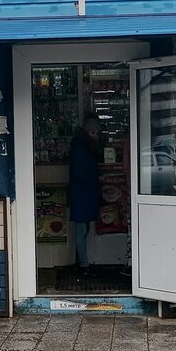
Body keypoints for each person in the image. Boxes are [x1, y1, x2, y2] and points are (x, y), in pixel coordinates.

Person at [68, 114, 102, 274]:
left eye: (97, 133)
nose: (96, 135)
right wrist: (91, 181)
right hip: (82, 193)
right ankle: (83, 265)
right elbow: (78, 170)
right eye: (93, 132)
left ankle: (80, 261)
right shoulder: (82, 147)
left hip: (83, 192)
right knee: (82, 229)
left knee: (84, 228)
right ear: (87, 131)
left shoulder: (83, 145)